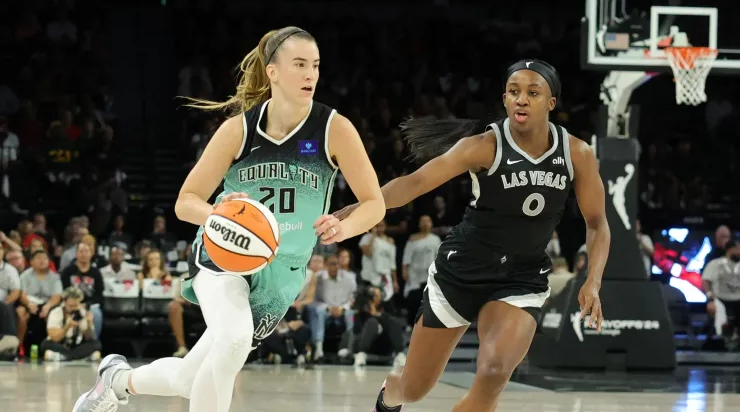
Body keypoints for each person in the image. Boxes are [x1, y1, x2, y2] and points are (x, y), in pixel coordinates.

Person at [73, 26, 384, 412]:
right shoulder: (237, 130)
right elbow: (185, 202)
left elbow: (374, 203)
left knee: (191, 378)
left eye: (316, 66)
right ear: (272, 71)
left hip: (283, 273)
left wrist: (345, 226)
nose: (311, 75)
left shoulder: (333, 129)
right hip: (225, 252)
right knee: (233, 341)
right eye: (300, 64)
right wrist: (216, 212)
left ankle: (116, 382)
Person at [336, 59, 610, 412]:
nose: (521, 100)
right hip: (461, 273)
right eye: (514, 92)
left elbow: (597, 223)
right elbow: (414, 183)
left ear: (551, 103)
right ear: (505, 99)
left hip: (520, 277)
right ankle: (392, 391)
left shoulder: (577, 153)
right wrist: (361, 207)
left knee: (494, 372)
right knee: (414, 389)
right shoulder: (483, 146)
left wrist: (594, 280)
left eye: (532, 93)